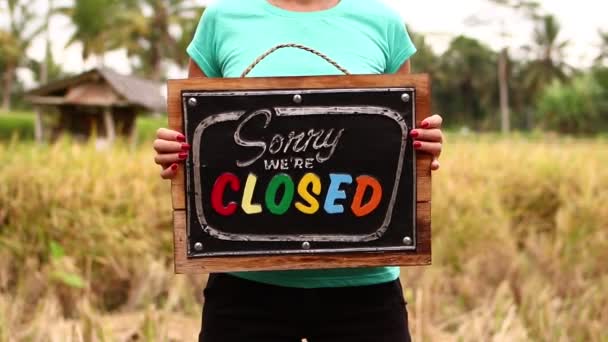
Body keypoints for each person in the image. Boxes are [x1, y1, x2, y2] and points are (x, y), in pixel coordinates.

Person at [153, 0, 444, 341]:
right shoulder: (222, 18)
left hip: (365, 288)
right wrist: (174, 150)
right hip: (246, 288)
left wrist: (423, 145)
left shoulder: (382, 22)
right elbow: (196, 131)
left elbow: (398, 127)